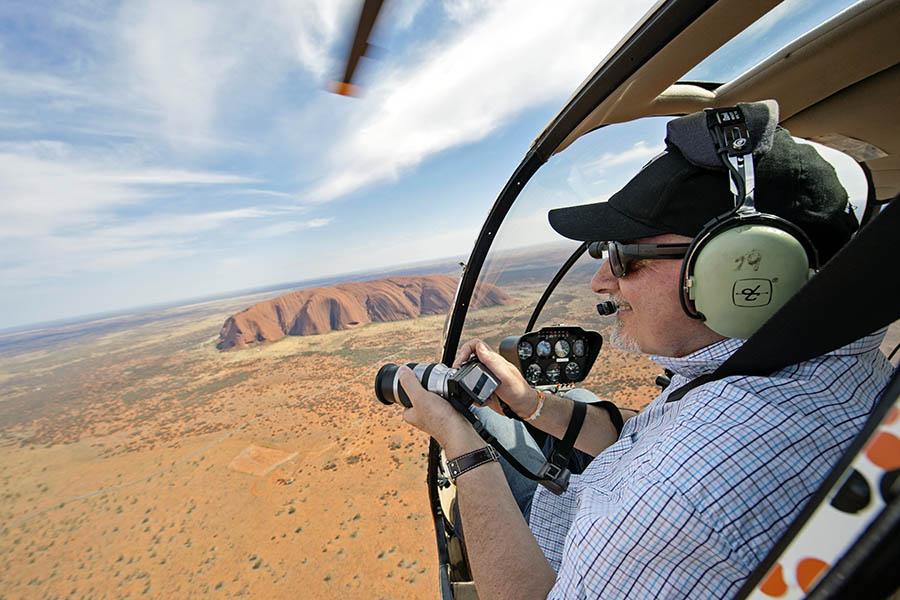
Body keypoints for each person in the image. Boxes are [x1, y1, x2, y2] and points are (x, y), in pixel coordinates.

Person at [395, 114, 893, 599]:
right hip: (592, 507)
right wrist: (531, 404)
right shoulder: (796, 365)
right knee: (552, 409)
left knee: (476, 432)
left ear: (738, 269)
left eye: (625, 255)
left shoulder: (682, 495)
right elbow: (644, 433)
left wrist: (459, 443)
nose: (601, 281)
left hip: (556, 554)